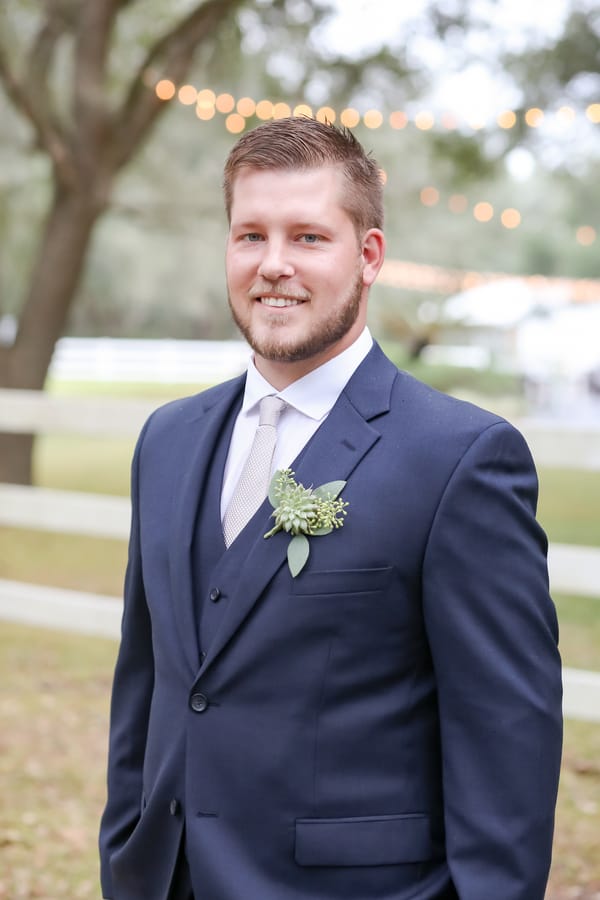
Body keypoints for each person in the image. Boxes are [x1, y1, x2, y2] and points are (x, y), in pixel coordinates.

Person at [99, 116, 562, 900]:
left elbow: (504, 738)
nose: (273, 265)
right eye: (250, 236)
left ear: (369, 256)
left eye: (308, 238)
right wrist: (126, 851)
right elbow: (147, 681)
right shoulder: (167, 440)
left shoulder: (461, 458)